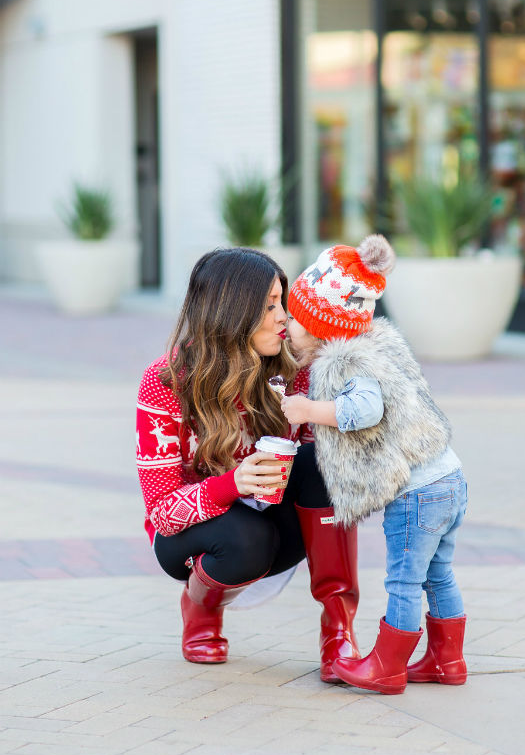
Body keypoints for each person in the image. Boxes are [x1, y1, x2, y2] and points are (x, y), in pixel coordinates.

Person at [135, 247, 360, 680]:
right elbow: (163, 511)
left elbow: (317, 471)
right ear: (231, 311)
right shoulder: (166, 382)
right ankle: (201, 608)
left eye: (283, 302)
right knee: (247, 537)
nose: (283, 317)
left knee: (323, 464)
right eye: (270, 306)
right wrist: (233, 483)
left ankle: (339, 632)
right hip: (192, 538)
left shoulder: (295, 373)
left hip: (274, 522)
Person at [280, 234, 468, 695]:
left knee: (403, 579)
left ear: (322, 325)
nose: (286, 328)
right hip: (448, 476)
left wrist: (305, 409)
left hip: (416, 491)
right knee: (437, 573)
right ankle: (448, 659)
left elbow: (365, 411)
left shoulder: (349, 361)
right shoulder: (379, 346)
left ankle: (386, 666)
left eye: (294, 320)